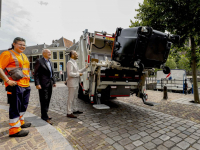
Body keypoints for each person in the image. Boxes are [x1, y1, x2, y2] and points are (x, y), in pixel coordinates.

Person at [0, 37, 31, 137]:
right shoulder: (7, 54)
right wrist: (7, 81)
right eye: (20, 44)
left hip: (26, 85)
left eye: (24, 45)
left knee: (23, 106)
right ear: (14, 44)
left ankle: (20, 123)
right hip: (15, 85)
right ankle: (14, 130)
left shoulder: (24, 56)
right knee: (15, 107)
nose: (22, 46)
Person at [34, 49, 56, 125]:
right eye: (48, 52)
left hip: (49, 83)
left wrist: (54, 82)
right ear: (44, 53)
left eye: (50, 52)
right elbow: (36, 73)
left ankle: (45, 114)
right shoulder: (39, 61)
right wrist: (37, 83)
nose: (50, 53)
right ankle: (44, 117)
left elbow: (52, 73)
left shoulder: (50, 61)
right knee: (44, 100)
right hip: (42, 84)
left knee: (48, 99)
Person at [66, 50, 88, 118]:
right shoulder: (69, 63)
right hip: (72, 83)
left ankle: (75, 110)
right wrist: (78, 74)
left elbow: (78, 71)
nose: (77, 55)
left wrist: (85, 68)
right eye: (76, 54)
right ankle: (69, 112)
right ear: (72, 55)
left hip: (76, 83)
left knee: (75, 97)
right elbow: (70, 74)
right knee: (71, 98)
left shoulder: (74, 62)